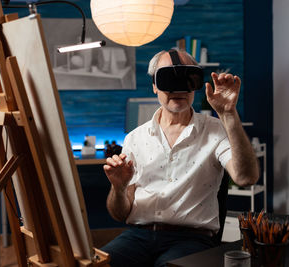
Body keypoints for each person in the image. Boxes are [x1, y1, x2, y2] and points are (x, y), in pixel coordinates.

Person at [101, 49, 259, 267]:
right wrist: (118, 188)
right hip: (138, 235)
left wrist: (229, 114)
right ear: (155, 85)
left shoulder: (215, 130)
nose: (179, 88)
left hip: (192, 238)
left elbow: (246, 178)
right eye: (168, 78)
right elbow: (120, 214)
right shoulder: (134, 138)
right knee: (97, 264)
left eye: (187, 78)